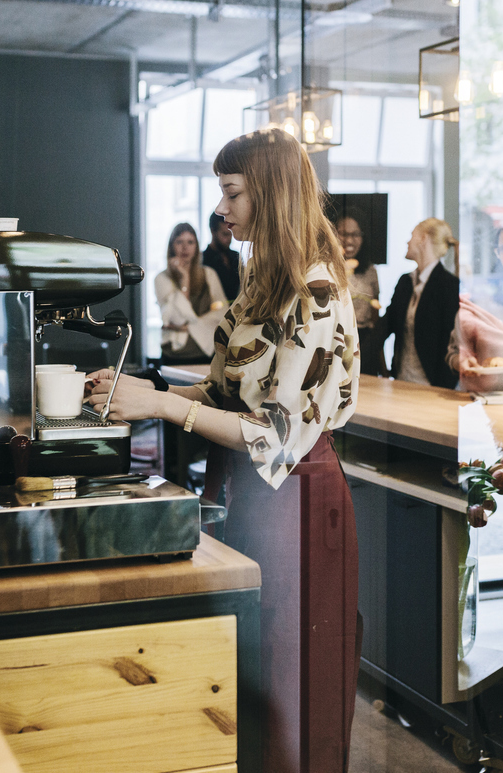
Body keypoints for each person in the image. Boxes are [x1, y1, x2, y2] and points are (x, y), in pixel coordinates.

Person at [87, 127, 361, 773]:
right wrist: (145, 385)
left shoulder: (315, 288)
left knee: (295, 687)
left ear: (268, 192)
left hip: (298, 499)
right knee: (251, 672)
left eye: (233, 193)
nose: (221, 209)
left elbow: (276, 430)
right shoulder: (259, 278)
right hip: (251, 496)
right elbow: (218, 390)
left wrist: (158, 404)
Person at [383, 218, 460, 388]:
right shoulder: (405, 282)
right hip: (401, 383)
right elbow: (386, 326)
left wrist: (444, 388)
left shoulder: (449, 286)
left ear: (423, 238)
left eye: (412, 235)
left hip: (432, 388)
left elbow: (450, 342)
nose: (407, 241)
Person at [154, 222, 228, 363]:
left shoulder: (209, 274)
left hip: (205, 351)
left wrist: (189, 326)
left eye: (190, 242)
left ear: (196, 246)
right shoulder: (161, 278)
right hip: (175, 354)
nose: (185, 247)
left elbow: (223, 310)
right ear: (172, 246)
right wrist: (184, 279)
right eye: (179, 242)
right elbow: (178, 319)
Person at [336, 213, 384, 376]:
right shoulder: (326, 269)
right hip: (335, 340)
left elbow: (375, 317)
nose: (349, 240)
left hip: (364, 342)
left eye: (355, 234)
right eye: (343, 233)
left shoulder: (370, 271)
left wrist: (383, 364)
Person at [203, 212, 242, 301]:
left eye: (231, 234)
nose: (229, 239)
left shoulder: (236, 256)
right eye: (225, 234)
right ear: (213, 231)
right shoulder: (203, 260)